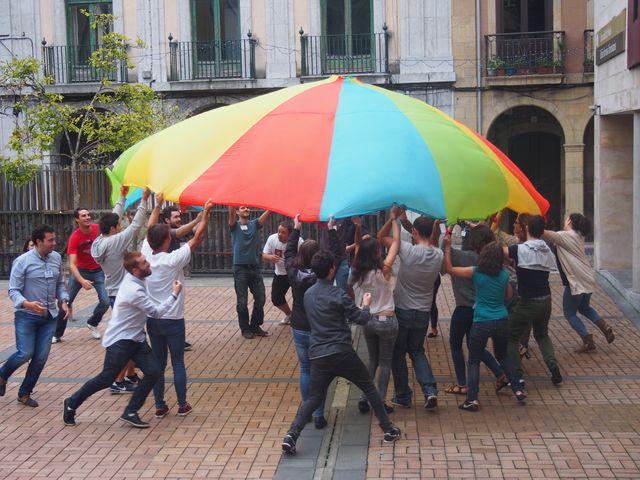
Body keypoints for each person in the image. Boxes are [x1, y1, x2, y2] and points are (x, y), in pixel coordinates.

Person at [281, 249, 401, 455]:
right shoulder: (338, 294)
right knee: (368, 387)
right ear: (332, 270)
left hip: (318, 353)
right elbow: (362, 319)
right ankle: (388, 429)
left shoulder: (309, 295)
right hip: (341, 352)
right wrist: (366, 305)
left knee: (313, 398)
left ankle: (292, 434)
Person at [63, 252, 182, 428]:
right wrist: (174, 294)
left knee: (153, 371)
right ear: (135, 270)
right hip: (120, 341)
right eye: (144, 263)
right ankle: (72, 402)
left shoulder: (136, 278)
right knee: (105, 379)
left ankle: (131, 411)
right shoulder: (134, 290)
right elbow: (156, 312)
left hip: (136, 339)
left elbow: (153, 272)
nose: (148, 264)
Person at [142, 199, 213, 418]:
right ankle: (182, 404)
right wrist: (207, 213)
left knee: (158, 363)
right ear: (165, 241)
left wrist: (155, 204)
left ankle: (160, 406)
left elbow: (149, 229)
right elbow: (197, 238)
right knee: (178, 362)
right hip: (173, 319)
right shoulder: (172, 260)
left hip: (153, 320)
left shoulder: (145, 253)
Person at [442, 236, 526, 411]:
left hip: (481, 321)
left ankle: (472, 400)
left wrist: (448, 248)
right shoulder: (503, 275)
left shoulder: (475, 272)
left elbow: (449, 269)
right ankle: (518, 390)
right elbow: (510, 296)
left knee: (473, 360)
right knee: (503, 356)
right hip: (501, 320)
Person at [378, 214, 442, 409]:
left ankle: (403, 396)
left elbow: (381, 237)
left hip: (403, 310)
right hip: (423, 313)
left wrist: (392, 219)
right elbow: (434, 243)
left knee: (399, 353)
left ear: (414, 232)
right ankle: (430, 390)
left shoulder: (407, 250)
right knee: (416, 350)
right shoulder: (438, 255)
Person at [1, 225, 69, 407]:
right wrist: (27, 303)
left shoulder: (55, 258)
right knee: (25, 353)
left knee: (40, 358)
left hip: (49, 316)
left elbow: (61, 285)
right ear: (38, 242)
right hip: (26, 315)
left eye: (54, 239)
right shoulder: (22, 261)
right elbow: (13, 290)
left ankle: (24, 393)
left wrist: (64, 300)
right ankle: (2, 375)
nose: (54, 243)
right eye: (50, 240)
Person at [92, 186, 151, 393]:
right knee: (127, 339)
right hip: (121, 294)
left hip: (114, 292)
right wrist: (144, 200)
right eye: (118, 224)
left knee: (130, 336)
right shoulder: (115, 241)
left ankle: (129, 375)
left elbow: (113, 216)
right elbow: (135, 226)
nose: (120, 223)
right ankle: (118, 381)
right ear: (114, 229)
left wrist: (123, 196)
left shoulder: (100, 241)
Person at [284, 214, 339, 429]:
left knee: (305, 369)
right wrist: (331, 230)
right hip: (320, 327)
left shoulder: (293, 271)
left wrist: (296, 228)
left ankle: (306, 410)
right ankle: (318, 414)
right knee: (319, 371)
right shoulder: (324, 275)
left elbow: (288, 253)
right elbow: (335, 255)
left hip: (299, 326)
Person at [441, 224, 509, 395]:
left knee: (456, 344)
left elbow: (445, 259)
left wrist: (446, 236)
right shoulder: (494, 260)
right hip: (481, 310)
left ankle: (462, 384)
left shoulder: (463, 257)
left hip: (464, 308)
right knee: (475, 346)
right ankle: (500, 373)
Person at [349, 209, 400, 414]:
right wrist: (394, 218)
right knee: (385, 363)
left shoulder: (358, 271)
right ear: (378, 253)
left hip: (368, 319)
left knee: (372, 359)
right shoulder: (385, 269)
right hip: (387, 320)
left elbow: (359, 246)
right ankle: (380, 401)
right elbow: (396, 242)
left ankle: (364, 397)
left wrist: (358, 226)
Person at [543, 213, 614, 352]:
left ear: (569, 221)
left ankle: (587, 340)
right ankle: (605, 327)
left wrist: (536, 220)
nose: (564, 221)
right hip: (587, 277)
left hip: (576, 280)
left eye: (566, 218)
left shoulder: (566, 235)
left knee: (569, 313)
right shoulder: (579, 236)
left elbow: (543, 233)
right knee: (584, 308)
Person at [505, 215, 562, 388]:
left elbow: (500, 251)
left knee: (511, 337)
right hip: (546, 301)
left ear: (527, 228)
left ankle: (517, 375)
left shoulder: (520, 250)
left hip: (526, 303)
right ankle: (553, 366)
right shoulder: (547, 250)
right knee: (542, 334)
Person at [149, 196, 203, 351]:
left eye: (180, 216)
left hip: (160, 307)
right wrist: (199, 219)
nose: (179, 219)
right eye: (176, 217)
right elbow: (179, 232)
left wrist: (202, 220)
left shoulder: (151, 244)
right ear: (166, 221)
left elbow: (194, 232)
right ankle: (174, 341)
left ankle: (175, 340)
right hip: (167, 281)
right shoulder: (163, 233)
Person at [54, 207, 110, 342]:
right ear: (77, 219)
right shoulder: (75, 237)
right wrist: (81, 280)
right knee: (65, 302)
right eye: (83, 216)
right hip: (81, 272)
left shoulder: (98, 229)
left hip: (98, 271)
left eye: (88, 215)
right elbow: (72, 264)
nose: (87, 217)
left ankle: (92, 323)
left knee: (105, 301)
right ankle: (57, 334)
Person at [229, 205, 271, 339]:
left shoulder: (254, 225)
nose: (246, 209)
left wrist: (271, 207)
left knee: (261, 298)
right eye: (242, 208)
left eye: (247, 207)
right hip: (240, 268)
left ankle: (255, 325)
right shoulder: (234, 226)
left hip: (254, 267)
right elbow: (230, 214)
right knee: (242, 301)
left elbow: (265, 216)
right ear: (237, 212)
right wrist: (231, 202)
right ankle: (245, 328)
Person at [262, 221, 301, 325]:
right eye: (279, 231)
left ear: (290, 234)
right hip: (280, 273)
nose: (280, 234)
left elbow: (305, 257)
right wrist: (269, 257)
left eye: (283, 233)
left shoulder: (299, 241)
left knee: (298, 298)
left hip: (294, 273)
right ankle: (290, 315)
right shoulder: (272, 238)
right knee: (276, 298)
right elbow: (264, 255)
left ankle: (300, 319)